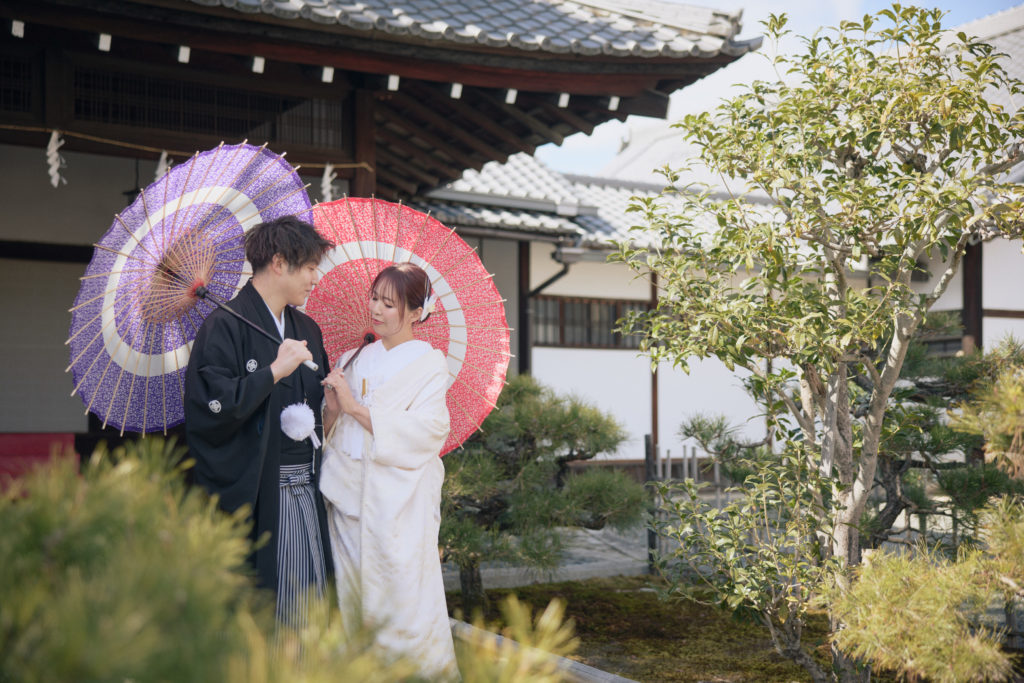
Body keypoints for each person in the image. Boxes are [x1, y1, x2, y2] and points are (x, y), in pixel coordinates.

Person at [183, 215, 334, 626]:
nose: (315, 278)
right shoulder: (223, 326)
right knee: (265, 605)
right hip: (258, 490)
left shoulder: (307, 328)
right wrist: (272, 373)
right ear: (280, 263)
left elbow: (317, 403)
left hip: (306, 486)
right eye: (309, 267)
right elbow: (209, 410)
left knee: (310, 594)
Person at [319, 263, 457, 680]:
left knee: (404, 601)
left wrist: (358, 408)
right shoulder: (352, 357)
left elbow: (431, 431)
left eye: (389, 303)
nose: (376, 309)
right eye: (374, 298)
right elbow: (328, 432)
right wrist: (332, 408)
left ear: (416, 312)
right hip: (347, 498)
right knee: (351, 600)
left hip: (399, 504)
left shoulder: (430, 365)